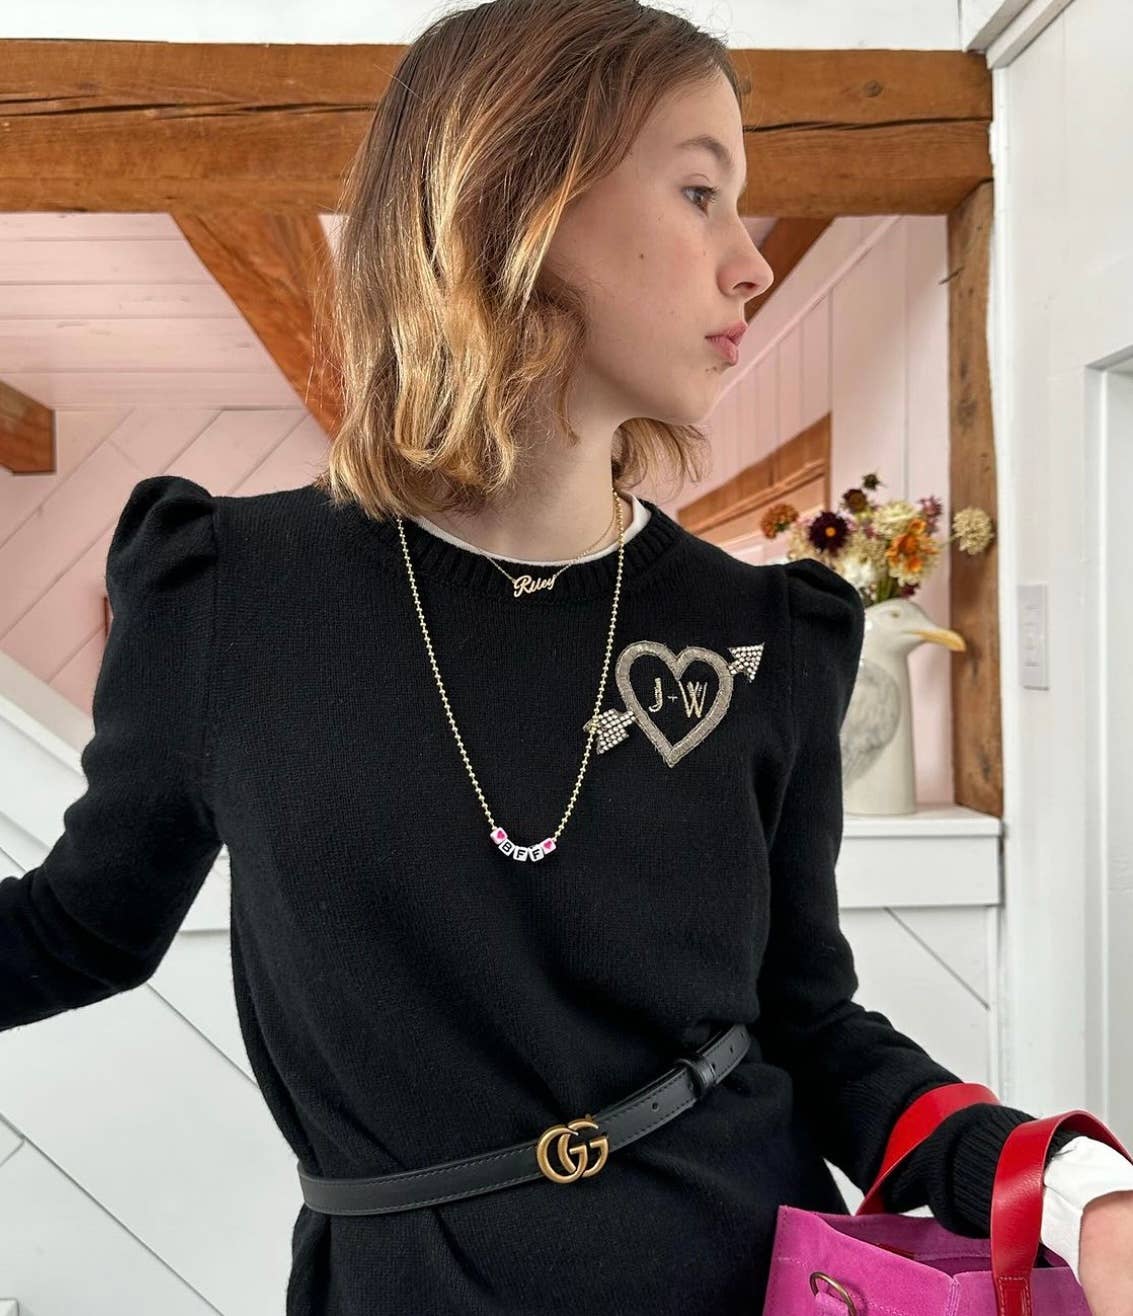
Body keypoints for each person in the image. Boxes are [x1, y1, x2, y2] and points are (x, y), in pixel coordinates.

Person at [3, 1, 1132, 1312]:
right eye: (699, 191)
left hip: (742, 1271)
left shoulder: (769, 636)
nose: (750, 262)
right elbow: (83, 926)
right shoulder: (227, 592)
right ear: (513, 199)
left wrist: (1073, 1194)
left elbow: (812, 1031)